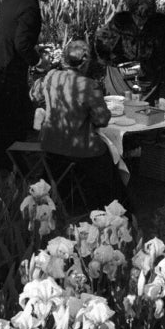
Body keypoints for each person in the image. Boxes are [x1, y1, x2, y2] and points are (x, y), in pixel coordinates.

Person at [38, 39, 129, 212]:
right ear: (85, 62)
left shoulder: (51, 76)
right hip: (79, 148)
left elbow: (36, 95)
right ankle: (114, 206)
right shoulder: (88, 85)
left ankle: (75, 198)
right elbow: (102, 120)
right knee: (107, 156)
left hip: (50, 144)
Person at [0, 0, 60, 166]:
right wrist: (39, 62)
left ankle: (0, 157)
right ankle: (14, 162)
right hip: (10, 67)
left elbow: (9, 31)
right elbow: (22, 44)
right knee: (12, 115)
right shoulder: (31, 6)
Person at [95, 0, 165, 112]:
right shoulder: (120, 21)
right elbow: (101, 43)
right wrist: (115, 61)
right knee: (122, 108)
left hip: (152, 75)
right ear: (132, 12)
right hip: (120, 77)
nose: (140, 21)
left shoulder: (162, 23)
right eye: (137, 17)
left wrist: (155, 63)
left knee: (153, 110)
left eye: (144, 18)